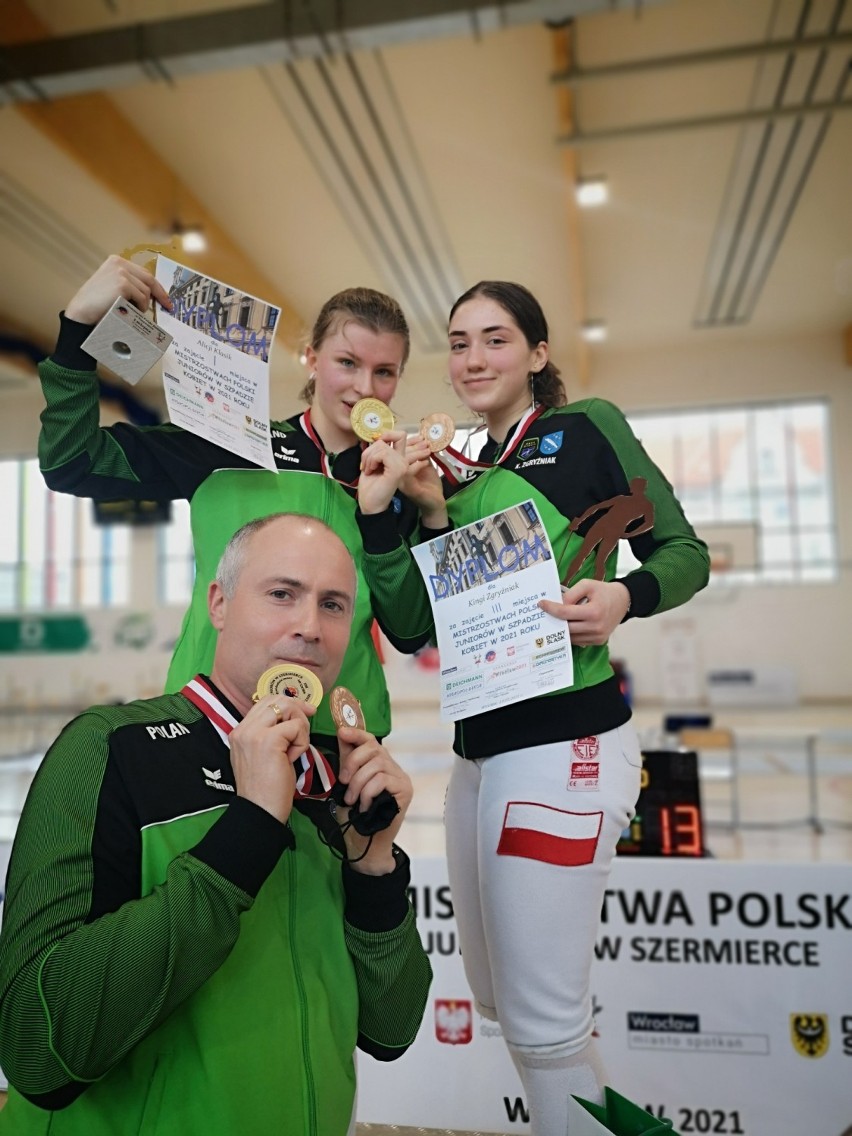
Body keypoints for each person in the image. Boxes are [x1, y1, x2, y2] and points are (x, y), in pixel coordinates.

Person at [354, 281, 710, 1134]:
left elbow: (685, 551)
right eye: (461, 342)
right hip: (478, 758)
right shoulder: (456, 472)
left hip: (568, 745)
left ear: (538, 355)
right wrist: (411, 516)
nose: (474, 358)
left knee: (548, 1021)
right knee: (510, 1008)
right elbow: (412, 629)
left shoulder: (585, 428)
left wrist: (625, 597)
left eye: (497, 339)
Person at [0, 512, 432, 1136]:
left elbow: (391, 1030)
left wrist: (374, 866)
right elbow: (37, 1048)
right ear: (220, 603)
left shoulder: (334, 785)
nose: (309, 627)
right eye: (282, 594)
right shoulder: (111, 748)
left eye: (333, 605)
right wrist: (250, 825)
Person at [37, 254, 430, 746]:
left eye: (385, 372)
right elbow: (71, 461)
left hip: (340, 739)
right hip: (213, 724)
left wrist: (381, 516)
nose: (364, 388)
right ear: (311, 357)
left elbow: (410, 633)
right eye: (347, 363)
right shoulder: (229, 445)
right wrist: (77, 330)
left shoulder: (398, 482)